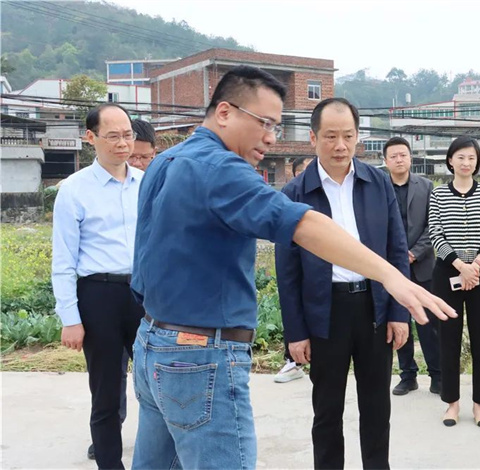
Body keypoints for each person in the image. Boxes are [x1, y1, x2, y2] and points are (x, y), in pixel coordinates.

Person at [130, 67, 455, 470]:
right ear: (225, 112)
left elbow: (141, 267)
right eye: (264, 123)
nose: (271, 137)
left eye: (276, 126)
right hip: (203, 354)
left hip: (154, 343)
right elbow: (303, 227)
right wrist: (390, 275)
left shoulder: (164, 161)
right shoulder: (223, 170)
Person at [275, 98, 411, 469]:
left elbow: (396, 251)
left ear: (357, 137)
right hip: (324, 313)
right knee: (327, 410)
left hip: (373, 307)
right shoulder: (295, 194)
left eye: (348, 136)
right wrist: (295, 333)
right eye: (331, 136)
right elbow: (287, 272)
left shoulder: (377, 183)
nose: (340, 145)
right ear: (313, 138)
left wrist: (398, 312)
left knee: (377, 406)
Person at [51, 103, 145, 469]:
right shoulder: (74, 190)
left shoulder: (146, 184)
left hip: (145, 294)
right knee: (105, 393)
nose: (123, 144)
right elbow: (63, 261)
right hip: (99, 296)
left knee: (158, 385)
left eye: (128, 135)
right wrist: (70, 318)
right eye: (113, 136)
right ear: (90, 137)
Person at [428, 136, 480, 429]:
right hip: (448, 273)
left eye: (471, 157)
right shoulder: (438, 194)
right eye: (460, 157)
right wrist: (461, 266)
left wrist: (476, 265)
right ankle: (452, 403)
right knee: (448, 338)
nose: (466, 162)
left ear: (477, 161)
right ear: (450, 161)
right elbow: (435, 233)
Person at [384, 136, 441, 396]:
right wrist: (394, 256)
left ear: (410, 158)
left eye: (403, 155)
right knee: (398, 320)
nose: (399, 160)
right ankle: (408, 375)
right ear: (386, 161)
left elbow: (434, 225)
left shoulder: (426, 186)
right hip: (390, 269)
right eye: (393, 156)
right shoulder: (379, 188)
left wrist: (414, 253)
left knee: (428, 324)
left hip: (422, 266)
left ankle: (438, 375)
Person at [274, 156, 313, 383]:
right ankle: (292, 361)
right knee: (292, 305)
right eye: (304, 171)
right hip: (298, 269)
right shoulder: (290, 196)